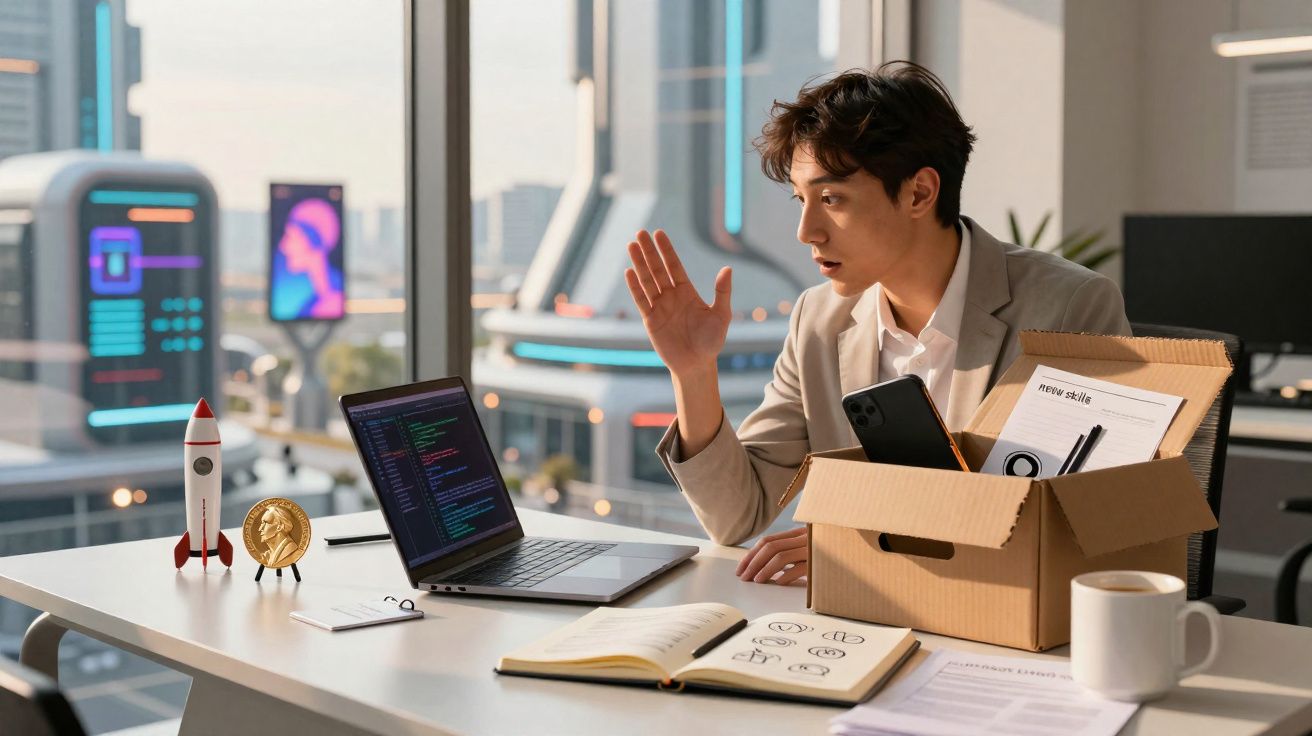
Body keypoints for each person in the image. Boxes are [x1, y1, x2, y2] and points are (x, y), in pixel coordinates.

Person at [623, 62, 1130, 586]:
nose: (806, 231)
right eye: (801, 199)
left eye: (831, 199)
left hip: (1002, 615)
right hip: (860, 618)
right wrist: (694, 373)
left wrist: (867, 546)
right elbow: (736, 516)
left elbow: (1078, 524)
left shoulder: (1069, 309)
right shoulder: (818, 321)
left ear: (919, 193)